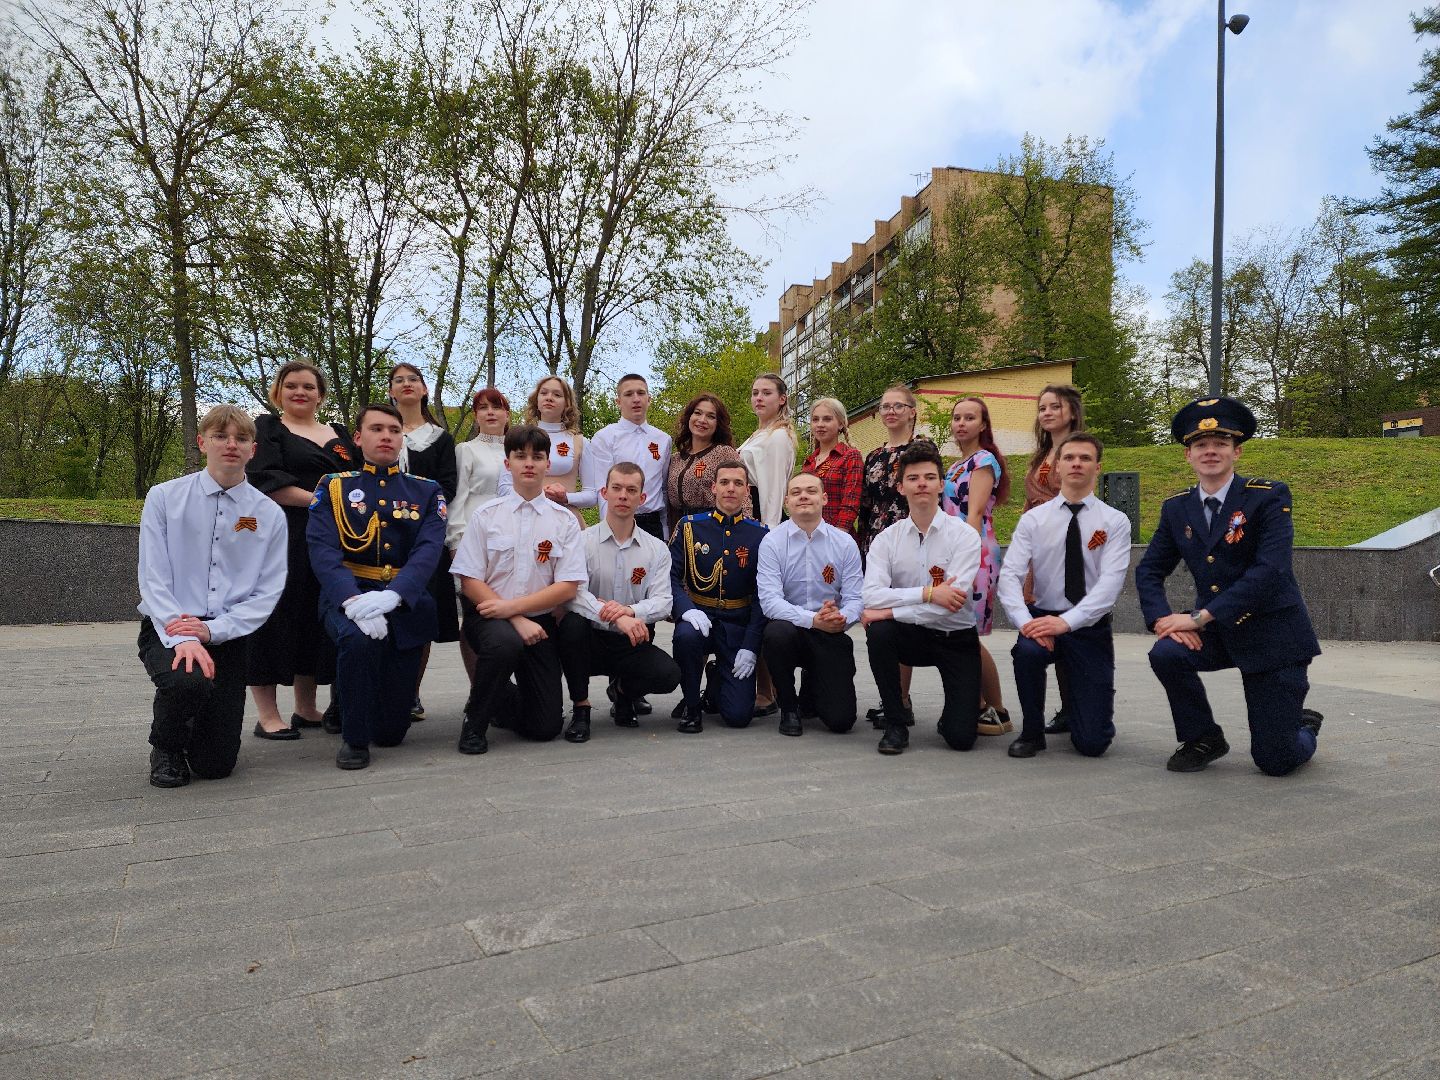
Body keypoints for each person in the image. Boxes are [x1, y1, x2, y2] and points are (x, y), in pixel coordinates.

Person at [1135, 397, 1323, 776]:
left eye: (1220, 444)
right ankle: (1203, 737)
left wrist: (1199, 617)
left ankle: (1302, 725)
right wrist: (1161, 619)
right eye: (1200, 445)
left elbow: (1271, 571)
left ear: (1236, 452)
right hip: (1219, 631)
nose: (1210, 451)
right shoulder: (1177, 508)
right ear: (1188, 456)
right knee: (1166, 653)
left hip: (1272, 635)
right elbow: (1149, 570)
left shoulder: (1268, 496)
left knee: (1276, 760)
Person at [137, 406, 288, 788]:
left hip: (228, 632)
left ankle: (197, 726)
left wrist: (214, 631)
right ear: (202, 442)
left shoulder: (268, 514)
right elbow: (153, 577)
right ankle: (166, 746)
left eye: (241, 438)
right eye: (221, 437)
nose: (231, 445)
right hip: (170, 623)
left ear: (253, 449)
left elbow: (266, 591)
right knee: (187, 682)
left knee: (216, 765)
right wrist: (185, 635)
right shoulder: (164, 498)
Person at [307, 404, 446, 770]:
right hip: (349, 591)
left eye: (393, 430)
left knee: (390, 733)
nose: (386, 436)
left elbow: (428, 550)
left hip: (403, 597)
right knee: (357, 640)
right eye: (376, 429)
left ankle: (363, 706)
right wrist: (350, 599)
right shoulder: (335, 487)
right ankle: (353, 740)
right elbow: (322, 550)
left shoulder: (427, 491)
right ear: (358, 437)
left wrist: (395, 594)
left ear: (402, 439)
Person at [451, 425, 587, 754]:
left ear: (547, 464)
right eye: (520, 456)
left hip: (538, 624)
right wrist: (513, 618)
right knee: (504, 644)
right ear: (507, 463)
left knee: (545, 727)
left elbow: (568, 585)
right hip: (488, 617)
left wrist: (516, 611)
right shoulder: (486, 516)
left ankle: (498, 700)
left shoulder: (563, 520)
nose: (529, 463)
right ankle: (476, 721)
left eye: (537, 457)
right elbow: (469, 579)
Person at [996, 433, 1132, 760]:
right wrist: (1025, 623)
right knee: (1026, 653)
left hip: (1089, 626)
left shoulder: (1114, 521)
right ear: (1057, 467)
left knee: (1093, 745)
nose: (1076, 463)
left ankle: (1083, 713)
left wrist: (1066, 624)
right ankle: (1032, 733)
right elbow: (1010, 576)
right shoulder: (1034, 519)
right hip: (1041, 617)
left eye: (1085, 458)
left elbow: (1109, 586)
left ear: (1097, 467)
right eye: (1069, 457)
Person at [246, 361, 355, 739]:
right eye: (291, 385)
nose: (300, 392)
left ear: (320, 394)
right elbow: (265, 481)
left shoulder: (340, 433)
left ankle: (306, 709)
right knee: (277, 616)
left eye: (308, 386)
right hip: (284, 534)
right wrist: (322, 502)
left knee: (314, 614)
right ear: (278, 391)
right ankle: (267, 715)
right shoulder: (268, 428)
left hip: (332, 538)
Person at [861, 444, 982, 756]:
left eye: (930, 477)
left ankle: (952, 719)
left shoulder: (965, 536)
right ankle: (895, 722)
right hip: (909, 637)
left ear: (942, 484)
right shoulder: (886, 539)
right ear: (901, 487)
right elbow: (871, 595)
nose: (922, 484)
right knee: (879, 634)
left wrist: (888, 612)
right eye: (913, 478)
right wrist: (928, 592)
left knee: (961, 739)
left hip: (954, 636)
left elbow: (951, 603)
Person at [557, 462, 681, 743]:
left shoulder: (656, 549)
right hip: (589, 640)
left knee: (669, 675)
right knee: (572, 625)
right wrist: (612, 615)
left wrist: (629, 611)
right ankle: (581, 708)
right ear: (604, 492)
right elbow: (572, 593)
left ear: (642, 498)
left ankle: (624, 692)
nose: (623, 495)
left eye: (631, 490)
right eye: (617, 488)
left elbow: (663, 602)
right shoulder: (582, 541)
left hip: (631, 640)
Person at [756, 471, 863, 736]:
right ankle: (789, 707)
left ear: (825, 498)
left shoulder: (844, 542)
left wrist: (841, 618)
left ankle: (812, 688)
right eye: (796, 492)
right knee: (776, 633)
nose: (804, 496)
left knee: (841, 721)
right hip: (791, 630)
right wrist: (813, 620)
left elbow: (856, 597)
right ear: (786, 502)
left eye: (811, 491)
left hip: (829, 631)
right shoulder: (772, 542)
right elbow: (770, 602)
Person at [856, 383, 936, 728]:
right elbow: (865, 504)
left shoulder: (923, 448)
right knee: (881, 620)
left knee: (902, 614)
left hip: (913, 539)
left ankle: (901, 701)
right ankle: (892, 698)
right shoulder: (873, 455)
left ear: (912, 411)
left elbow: (930, 495)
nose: (890, 412)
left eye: (898, 406)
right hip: (877, 540)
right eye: (885, 406)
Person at [670, 461, 769, 733]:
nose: (730, 489)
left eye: (738, 484)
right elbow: (670, 576)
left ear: (747, 491)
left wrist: (750, 645)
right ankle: (691, 706)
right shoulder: (690, 527)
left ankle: (715, 682)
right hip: (699, 617)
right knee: (685, 636)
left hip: (737, 624)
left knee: (738, 717)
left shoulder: (760, 535)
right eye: (724, 482)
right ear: (713, 487)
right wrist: (685, 609)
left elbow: (763, 596)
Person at [387, 362, 458, 721]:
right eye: (398, 380)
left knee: (418, 614)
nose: (406, 384)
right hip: (376, 537)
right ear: (391, 391)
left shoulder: (440, 438)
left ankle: (410, 692)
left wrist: (413, 512)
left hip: (424, 538)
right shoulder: (380, 431)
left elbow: (448, 487)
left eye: (413, 379)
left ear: (425, 389)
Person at [942, 396, 1012, 736]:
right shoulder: (957, 464)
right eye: (957, 417)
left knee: (969, 634)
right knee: (962, 632)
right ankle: (980, 703)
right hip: (957, 550)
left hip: (976, 552)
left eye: (970, 417)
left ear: (983, 425)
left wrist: (965, 563)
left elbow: (973, 515)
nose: (961, 423)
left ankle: (997, 708)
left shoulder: (983, 461)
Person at [1022, 383, 1085, 737]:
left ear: (1072, 412)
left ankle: (1079, 705)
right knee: (1045, 623)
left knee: (1067, 624)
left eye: (1055, 407)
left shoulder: (1077, 451)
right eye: (1042, 407)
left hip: (1068, 543)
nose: (1046, 413)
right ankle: (1065, 707)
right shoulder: (1041, 453)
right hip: (1038, 546)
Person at [448, 388, 512, 690]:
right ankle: (480, 689)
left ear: (507, 414)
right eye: (483, 408)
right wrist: (456, 542)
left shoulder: (516, 450)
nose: (490, 413)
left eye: (496, 407)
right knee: (476, 614)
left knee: (509, 611)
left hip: (511, 539)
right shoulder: (466, 450)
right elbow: (458, 498)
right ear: (476, 415)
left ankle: (505, 687)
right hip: (475, 538)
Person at [583, 374, 672, 539]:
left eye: (641, 393)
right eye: (629, 394)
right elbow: (603, 488)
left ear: (649, 399)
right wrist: (608, 530)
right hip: (618, 521)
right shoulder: (605, 437)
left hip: (654, 525)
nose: (636, 399)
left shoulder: (663, 439)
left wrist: (666, 531)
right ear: (618, 401)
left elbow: (664, 489)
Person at [502, 374, 596, 527]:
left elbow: (592, 495)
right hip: (523, 517)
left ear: (567, 404)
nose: (549, 398)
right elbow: (504, 488)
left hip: (566, 520)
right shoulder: (518, 438)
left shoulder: (580, 442)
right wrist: (536, 495)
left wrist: (566, 498)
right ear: (536, 400)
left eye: (557, 395)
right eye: (544, 393)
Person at [666, 393, 746, 539]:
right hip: (678, 530)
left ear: (718, 423)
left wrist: (743, 533)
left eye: (711, 416)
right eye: (697, 413)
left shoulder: (724, 453)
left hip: (714, 530)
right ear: (689, 417)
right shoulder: (675, 458)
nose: (702, 420)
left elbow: (743, 494)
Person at [738, 373, 798, 528]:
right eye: (755, 393)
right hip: (745, 510)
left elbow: (774, 489)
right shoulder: (758, 435)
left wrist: (769, 530)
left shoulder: (779, 436)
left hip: (760, 515)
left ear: (782, 399)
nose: (759, 398)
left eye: (766, 393)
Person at [801, 397, 863, 534]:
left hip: (837, 536)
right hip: (807, 535)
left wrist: (837, 539)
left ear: (840, 424)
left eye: (827, 419)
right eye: (815, 419)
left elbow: (850, 503)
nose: (820, 424)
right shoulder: (808, 462)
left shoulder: (850, 456)